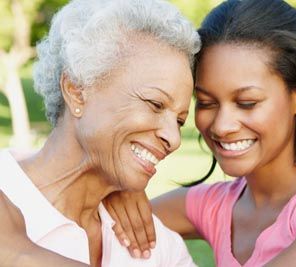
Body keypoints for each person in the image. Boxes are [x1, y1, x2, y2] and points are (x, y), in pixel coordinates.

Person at [102, 0, 296, 266]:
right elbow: (97, 222)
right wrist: (119, 192)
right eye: (206, 102)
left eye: (247, 103)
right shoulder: (215, 206)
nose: (221, 125)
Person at [0, 0, 200, 266]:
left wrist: (20, 256)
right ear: (77, 90)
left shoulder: (156, 246)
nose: (173, 139)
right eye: (155, 104)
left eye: (180, 121)